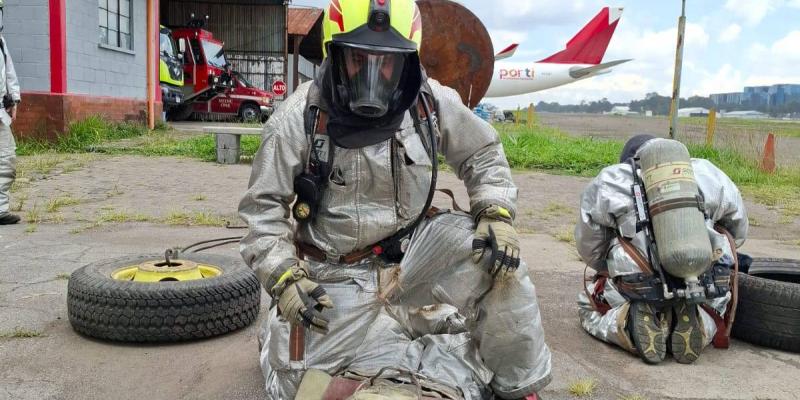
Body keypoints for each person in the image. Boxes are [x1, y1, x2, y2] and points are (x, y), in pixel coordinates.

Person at [239, 0, 551, 398]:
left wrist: (495, 210)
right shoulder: (297, 118)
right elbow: (261, 210)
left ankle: (517, 386)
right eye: (358, 58)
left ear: (407, 61)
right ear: (334, 54)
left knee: (500, 260)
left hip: (416, 253)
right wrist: (282, 275)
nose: (373, 74)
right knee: (298, 389)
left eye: (385, 62)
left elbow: (482, 151)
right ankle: (393, 344)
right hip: (335, 271)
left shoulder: (430, 102)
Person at [575, 134, 748, 364]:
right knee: (714, 306)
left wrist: (607, 266)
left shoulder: (611, 179)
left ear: (629, 159)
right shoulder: (708, 171)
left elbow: (590, 247)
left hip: (640, 284)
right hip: (703, 280)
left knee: (587, 305)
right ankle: (697, 318)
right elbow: (739, 230)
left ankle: (627, 324)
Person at [0, 0, 22, 225]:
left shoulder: (1, 43)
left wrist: (13, 99)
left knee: (6, 160)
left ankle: (0, 209)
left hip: (0, 114)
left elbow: (9, 74)